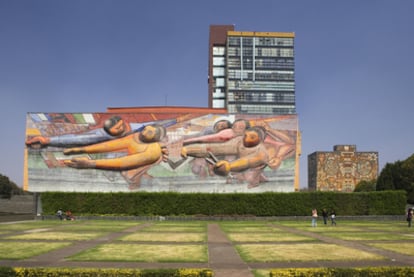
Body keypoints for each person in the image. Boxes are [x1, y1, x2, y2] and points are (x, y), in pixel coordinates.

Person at [63, 124, 168, 189]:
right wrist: (80, 149)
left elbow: (124, 162)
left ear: (156, 137)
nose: (143, 133)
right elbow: (111, 145)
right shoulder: (136, 137)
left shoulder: (153, 151)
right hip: (126, 177)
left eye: (149, 132)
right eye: (144, 129)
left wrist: (91, 163)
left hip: (138, 182)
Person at [25, 116, 133, 148]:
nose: (121, 129)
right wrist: (48, 140)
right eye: (116, 129)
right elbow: (79, 138)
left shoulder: (141, 127)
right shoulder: (105, 134)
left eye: (121, 126)